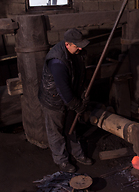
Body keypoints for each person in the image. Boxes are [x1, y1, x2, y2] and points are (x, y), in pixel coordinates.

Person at [38, 28, 93, 173]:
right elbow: (64, 91)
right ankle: (61, 160)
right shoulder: (57, 62)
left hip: (69, 96)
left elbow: (80, 75)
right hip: (53, 100)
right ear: (67, 44)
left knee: (71, 128)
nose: (80, 48)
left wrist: (82, 94)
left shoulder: (77, 53)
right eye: (77, 45)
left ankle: (77, 154)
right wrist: (78, 106)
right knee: (56, 132)